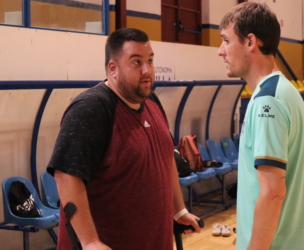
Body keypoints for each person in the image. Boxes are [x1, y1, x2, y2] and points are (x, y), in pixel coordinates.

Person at [47, 28, 200, 250]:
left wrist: (179, 210)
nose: (147, 70)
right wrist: (90, 241)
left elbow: (165, 158)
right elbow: (66, 175)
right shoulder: (91, 108)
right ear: (113, 68)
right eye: (137, 62)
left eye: (150, 60)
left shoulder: (152, 101)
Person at [218, 2, 304, 249]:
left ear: (250, 42)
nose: (221, 51)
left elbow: (273, 192)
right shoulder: (285, 91)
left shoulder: (267, 102)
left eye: (226, 40)